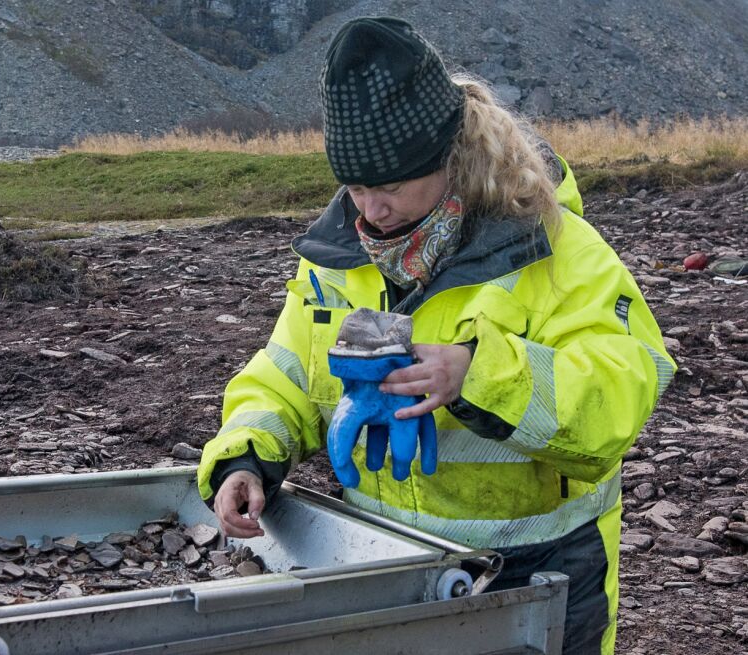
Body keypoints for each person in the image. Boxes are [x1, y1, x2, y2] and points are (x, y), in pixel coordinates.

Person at [197, 16, 675, 655]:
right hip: (390, 568)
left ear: (450, 160)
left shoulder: (561, 250)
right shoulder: (334, 260)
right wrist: (245, 457)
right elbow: (285, 372)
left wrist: (475, 374)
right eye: (357, 187)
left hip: (540, 568)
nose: (372, 210)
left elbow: (621, 393)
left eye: (391, 186)